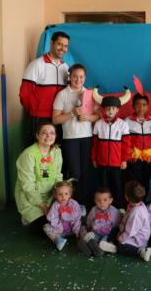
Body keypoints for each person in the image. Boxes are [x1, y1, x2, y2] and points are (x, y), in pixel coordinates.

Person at [52, 63, 99, 205]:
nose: (78, 80)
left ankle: (84, 203)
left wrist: (88, 118)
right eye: (75, 77)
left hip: (87, 137)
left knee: (86, 172)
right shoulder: (62, 94)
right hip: (70, 139)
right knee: (75, 173)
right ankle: (74, 204)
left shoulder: (90, 94)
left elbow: (97, 115)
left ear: (85, 77)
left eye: (81, 77)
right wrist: (71, 113)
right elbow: (55, 119)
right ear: (70, 77)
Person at [20, 31, 70, 146]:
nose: (63, 48)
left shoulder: (65, 67)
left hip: (58, 118)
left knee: (55, 152)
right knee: (38, 152)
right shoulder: (37, 64)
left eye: (66, 46)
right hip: (40, 118)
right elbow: (24, 94)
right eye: (59, 44)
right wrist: (35, 110)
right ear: (51, 43)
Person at [15, 122, 63, 231]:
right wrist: (44, 207)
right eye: (44, 133)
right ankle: (28, 217)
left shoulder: (57, 151)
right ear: (37, 135)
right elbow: (27, 186)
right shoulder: (28, 155)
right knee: (46, 225)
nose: (48, 136)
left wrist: (59, 197)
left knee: (63, 219)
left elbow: (58, 176)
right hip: (31, 197)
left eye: (52, 133)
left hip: (50, 195)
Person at [91, 96, 131, 208]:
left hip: (117, 163)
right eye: (108, 108)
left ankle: (119, 207)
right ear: (104, 109)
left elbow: (127, 145)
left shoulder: (123, 124)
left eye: (113, 108)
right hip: (102, 162)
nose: (110, 111)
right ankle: (103, 207)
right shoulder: (98, 124)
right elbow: (95, 144)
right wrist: (94, 158)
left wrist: (124, 160)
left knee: (117, 185)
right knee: (103, 186)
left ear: (117, 110)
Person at [100, 181, 151, 262]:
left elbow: (131, 231)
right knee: (114, 229)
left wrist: (120, 239)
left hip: (137, 238)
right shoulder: (139, 204)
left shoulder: (136, 212)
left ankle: (140, 252)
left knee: (122, 247)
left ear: (126, 197)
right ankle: (111, 243)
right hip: (132, 231)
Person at [125, 93, 151, 199]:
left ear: (148, 106)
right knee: (135, 179)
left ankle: (145, 201)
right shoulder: (127, 121)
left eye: (144, 105)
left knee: (147, 178)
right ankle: (134, 200)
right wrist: (127, 155)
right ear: (133, 106)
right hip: (134, 156)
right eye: (138, 104)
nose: (141, 107)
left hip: (149, 156)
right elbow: (126, 140)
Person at [78, 187, 121, 257]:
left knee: (103, 243)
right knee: (91, 238)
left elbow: (117, 224)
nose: (102, 203)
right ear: (95, 201)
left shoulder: (114, 212)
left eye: (105, 200)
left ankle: (100, 251)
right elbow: (89, 220)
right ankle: (87, 247)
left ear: (110, 200)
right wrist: (88, 228)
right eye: (99, 200)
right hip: (96, 232)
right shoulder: (94, 210)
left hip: (107, 234)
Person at [43, 181, 82, 251]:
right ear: (55, 195)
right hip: (60, 231)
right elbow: (52, 218)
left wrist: (76, 231)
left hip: (72, 230)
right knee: (46, 226)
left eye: (66, 194)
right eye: (60, 194)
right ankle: (58, 240)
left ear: (70, 194)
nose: (63, 196)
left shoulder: (74, 204)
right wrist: (58, 228)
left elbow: (77, 218)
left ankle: (82, 238)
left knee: (84, 227)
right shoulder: (55, 205)